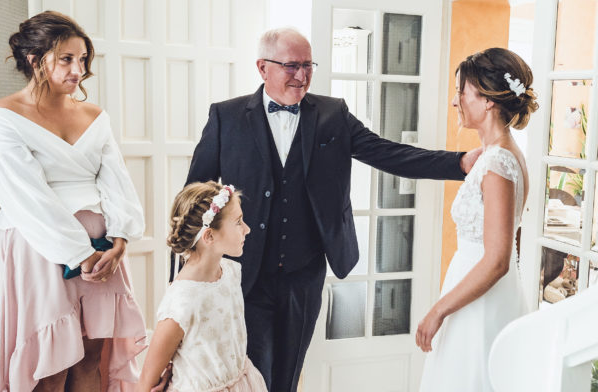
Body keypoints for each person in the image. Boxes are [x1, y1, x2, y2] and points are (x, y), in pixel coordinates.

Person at [184, 27, 480, 392]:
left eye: (309, 65)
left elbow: (387, 152)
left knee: (288, 376)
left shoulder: (332, 115)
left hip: (303, 273)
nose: (302, 75)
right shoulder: (226, 118)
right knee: (250, 372)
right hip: (244, 272)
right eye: (292, 66)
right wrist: (185, 276)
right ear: (262, 68)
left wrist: (460, 162)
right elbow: (193, 198)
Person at [0, 11, 146, 391]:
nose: (77, 69)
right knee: (50, 365)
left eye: (82, 60)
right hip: (42, 253)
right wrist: (80, 254)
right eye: (66, 59)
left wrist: (120, 240)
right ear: (35, 60)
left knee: (93, 357)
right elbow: (26, 197)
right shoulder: (6, 117)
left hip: (104, 254)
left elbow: (118, 182)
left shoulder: (95, 117)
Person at [417, 47, 538, 391]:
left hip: (479, 300)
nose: (455, 101)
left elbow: (498, 259)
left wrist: (438, 310)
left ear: (487, 101)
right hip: (478, 290)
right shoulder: (497, 155)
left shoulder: (499, 162)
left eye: (462, 91)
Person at [138, 181, 267, 392]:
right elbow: (146, 381)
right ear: (209, 236)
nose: (247, 229)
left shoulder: (230, 272)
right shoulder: (182, 303)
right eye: (238, 222)